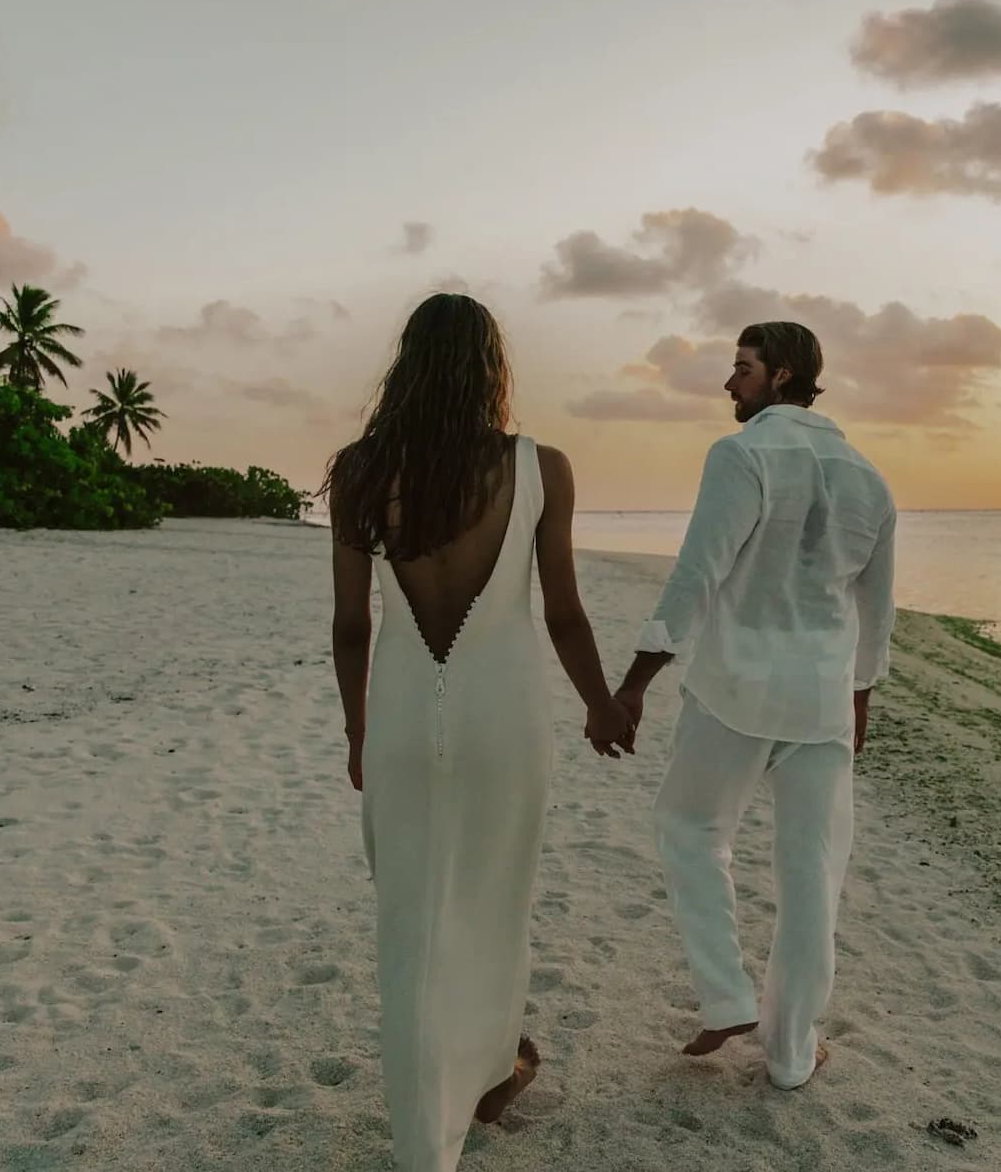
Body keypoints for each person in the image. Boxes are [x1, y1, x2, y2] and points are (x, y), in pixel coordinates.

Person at [324, 294, 635, 1172]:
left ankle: (451, 1104)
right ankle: (485, 1077)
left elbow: (351, 628)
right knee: (495, 903)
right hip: (506, 716)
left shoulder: (358, 470)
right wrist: (601, 703)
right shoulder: (541, 467)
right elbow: (564, 614)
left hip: (398, 717)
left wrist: (358, 729)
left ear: (406, 364)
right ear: (490, 368)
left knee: (411, 914)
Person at [611, 320, 896, 1091]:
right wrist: (862, 693)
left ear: (783, 375)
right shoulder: (870, 478)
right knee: (813, 873)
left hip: (737, 686)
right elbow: (877, 607)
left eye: (741, 368)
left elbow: (698, 572)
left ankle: (729, 995)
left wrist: (637, 679)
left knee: (688, 825)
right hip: (824, 697)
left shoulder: (740, 455)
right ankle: (791, 1054)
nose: (728, 383)